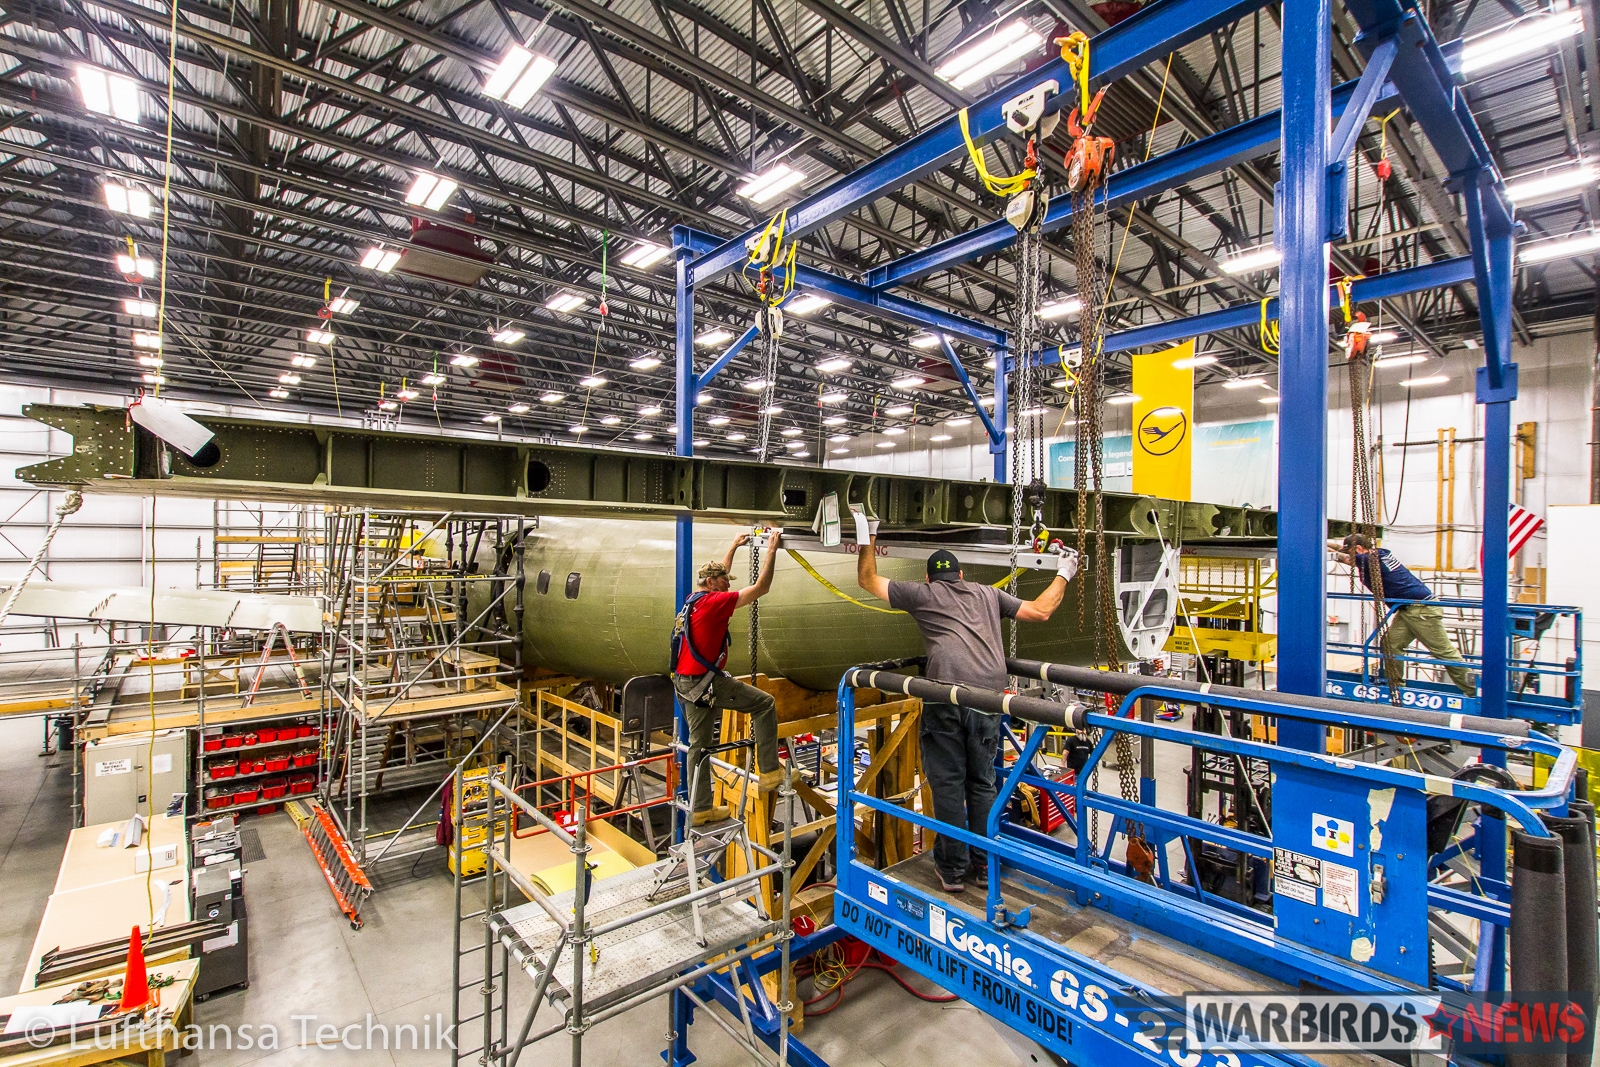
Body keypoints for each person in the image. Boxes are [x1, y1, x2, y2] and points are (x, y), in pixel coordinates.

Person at [856, 533, 1077, 893]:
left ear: (929, 579)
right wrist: (1065, 571)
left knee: (947, 784)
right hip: (989, 699)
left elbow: (867, 580)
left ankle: (953, 870)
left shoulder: (922, 594)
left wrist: (869, 536)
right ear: (961, 576)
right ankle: (982, 864)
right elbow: (1041, 610)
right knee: (982, 783)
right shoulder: (988, 593)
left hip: (945, 698)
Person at [671, 530, 783, 826]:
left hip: (686, 684)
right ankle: (771, 771)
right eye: (723, 582)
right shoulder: (714, 603)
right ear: (712, 584)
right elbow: (761, 588)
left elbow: (721, 573)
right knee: (764, 704)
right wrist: (771, 551)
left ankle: (700, 809)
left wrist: (733, 545)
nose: (727, 585)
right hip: (705, 684)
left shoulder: (695, 599)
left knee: (700, 745)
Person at [1329, 533, 1476, 697]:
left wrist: (1323, 549)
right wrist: (1326, 542)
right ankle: (1395, 687)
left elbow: (1347, 559)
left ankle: (1475, 692)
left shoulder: (1368, 560)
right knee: (1390, 644)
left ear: (1358, 549)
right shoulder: (1380, 554)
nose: (1351, 556)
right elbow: (1344, 553)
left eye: (1351, 551)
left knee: (1443, 652)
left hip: (1421, 610)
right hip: (1409, 609)